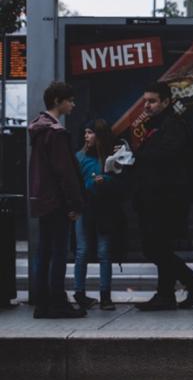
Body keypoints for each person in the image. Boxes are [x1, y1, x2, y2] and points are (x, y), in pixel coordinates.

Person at [131, 82, 193, 311]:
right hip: (158, 198)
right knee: (160, 247)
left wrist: (136, 159)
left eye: (152, 101)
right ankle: (166, 294)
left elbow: (165, 160)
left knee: (154, 247)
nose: (147, 105)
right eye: (145, 100)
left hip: (164, 199)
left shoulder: (172, 126)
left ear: (166, 102)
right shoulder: (159, 124)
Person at [28, 81, 87, 319]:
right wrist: (75, 204)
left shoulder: (39, 130)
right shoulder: (56, 133)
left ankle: (43, 303)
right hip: (58, 200)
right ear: (57, 101)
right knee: (59, 252)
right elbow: (65, 173)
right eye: (70, 100)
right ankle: (58, 302)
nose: (73, 104)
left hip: (43, 198)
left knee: (44, 251)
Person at [74, 119, 123, 311]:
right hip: (85, 207)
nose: (86, 136)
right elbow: (74, 184)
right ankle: (80, 293)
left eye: (90, 132)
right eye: (85, 133)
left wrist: (107, 181)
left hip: (103, 209)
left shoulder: (110, 158)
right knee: (82, 252)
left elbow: (121, 183)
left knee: (104, 253)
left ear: (100, 135)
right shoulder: (79, 157)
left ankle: (105, 295)